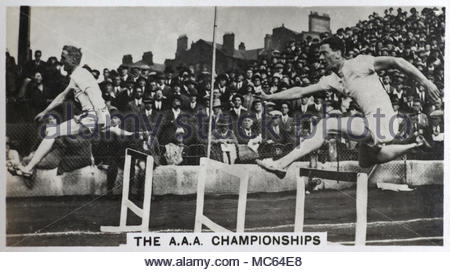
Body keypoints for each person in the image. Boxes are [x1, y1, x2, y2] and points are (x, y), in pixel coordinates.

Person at [256, 37, 439, 178]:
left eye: (324, 53)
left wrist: (426, 82)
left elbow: (396, 61)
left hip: (383, 121)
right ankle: (415, 144)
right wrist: (269, 96)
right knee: (366, 160)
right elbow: (300, 91)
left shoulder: (360, 63)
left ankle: (282, 164)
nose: (321, 58)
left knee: (326, 125)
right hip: (374, 124)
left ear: (338, 53)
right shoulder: (333, 80)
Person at [14, 45, 131, 178]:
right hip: (95, 115)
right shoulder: (77, 75)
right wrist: (45, 111)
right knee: (112, 131)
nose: (61, 60)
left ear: (74, 59)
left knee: (52, 132)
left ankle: (28, 168)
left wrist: (99, 118)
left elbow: (94, 96)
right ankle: (136, 134)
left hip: (92, 116)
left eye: (64, 57)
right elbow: (62, 96)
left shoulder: (80, 75)